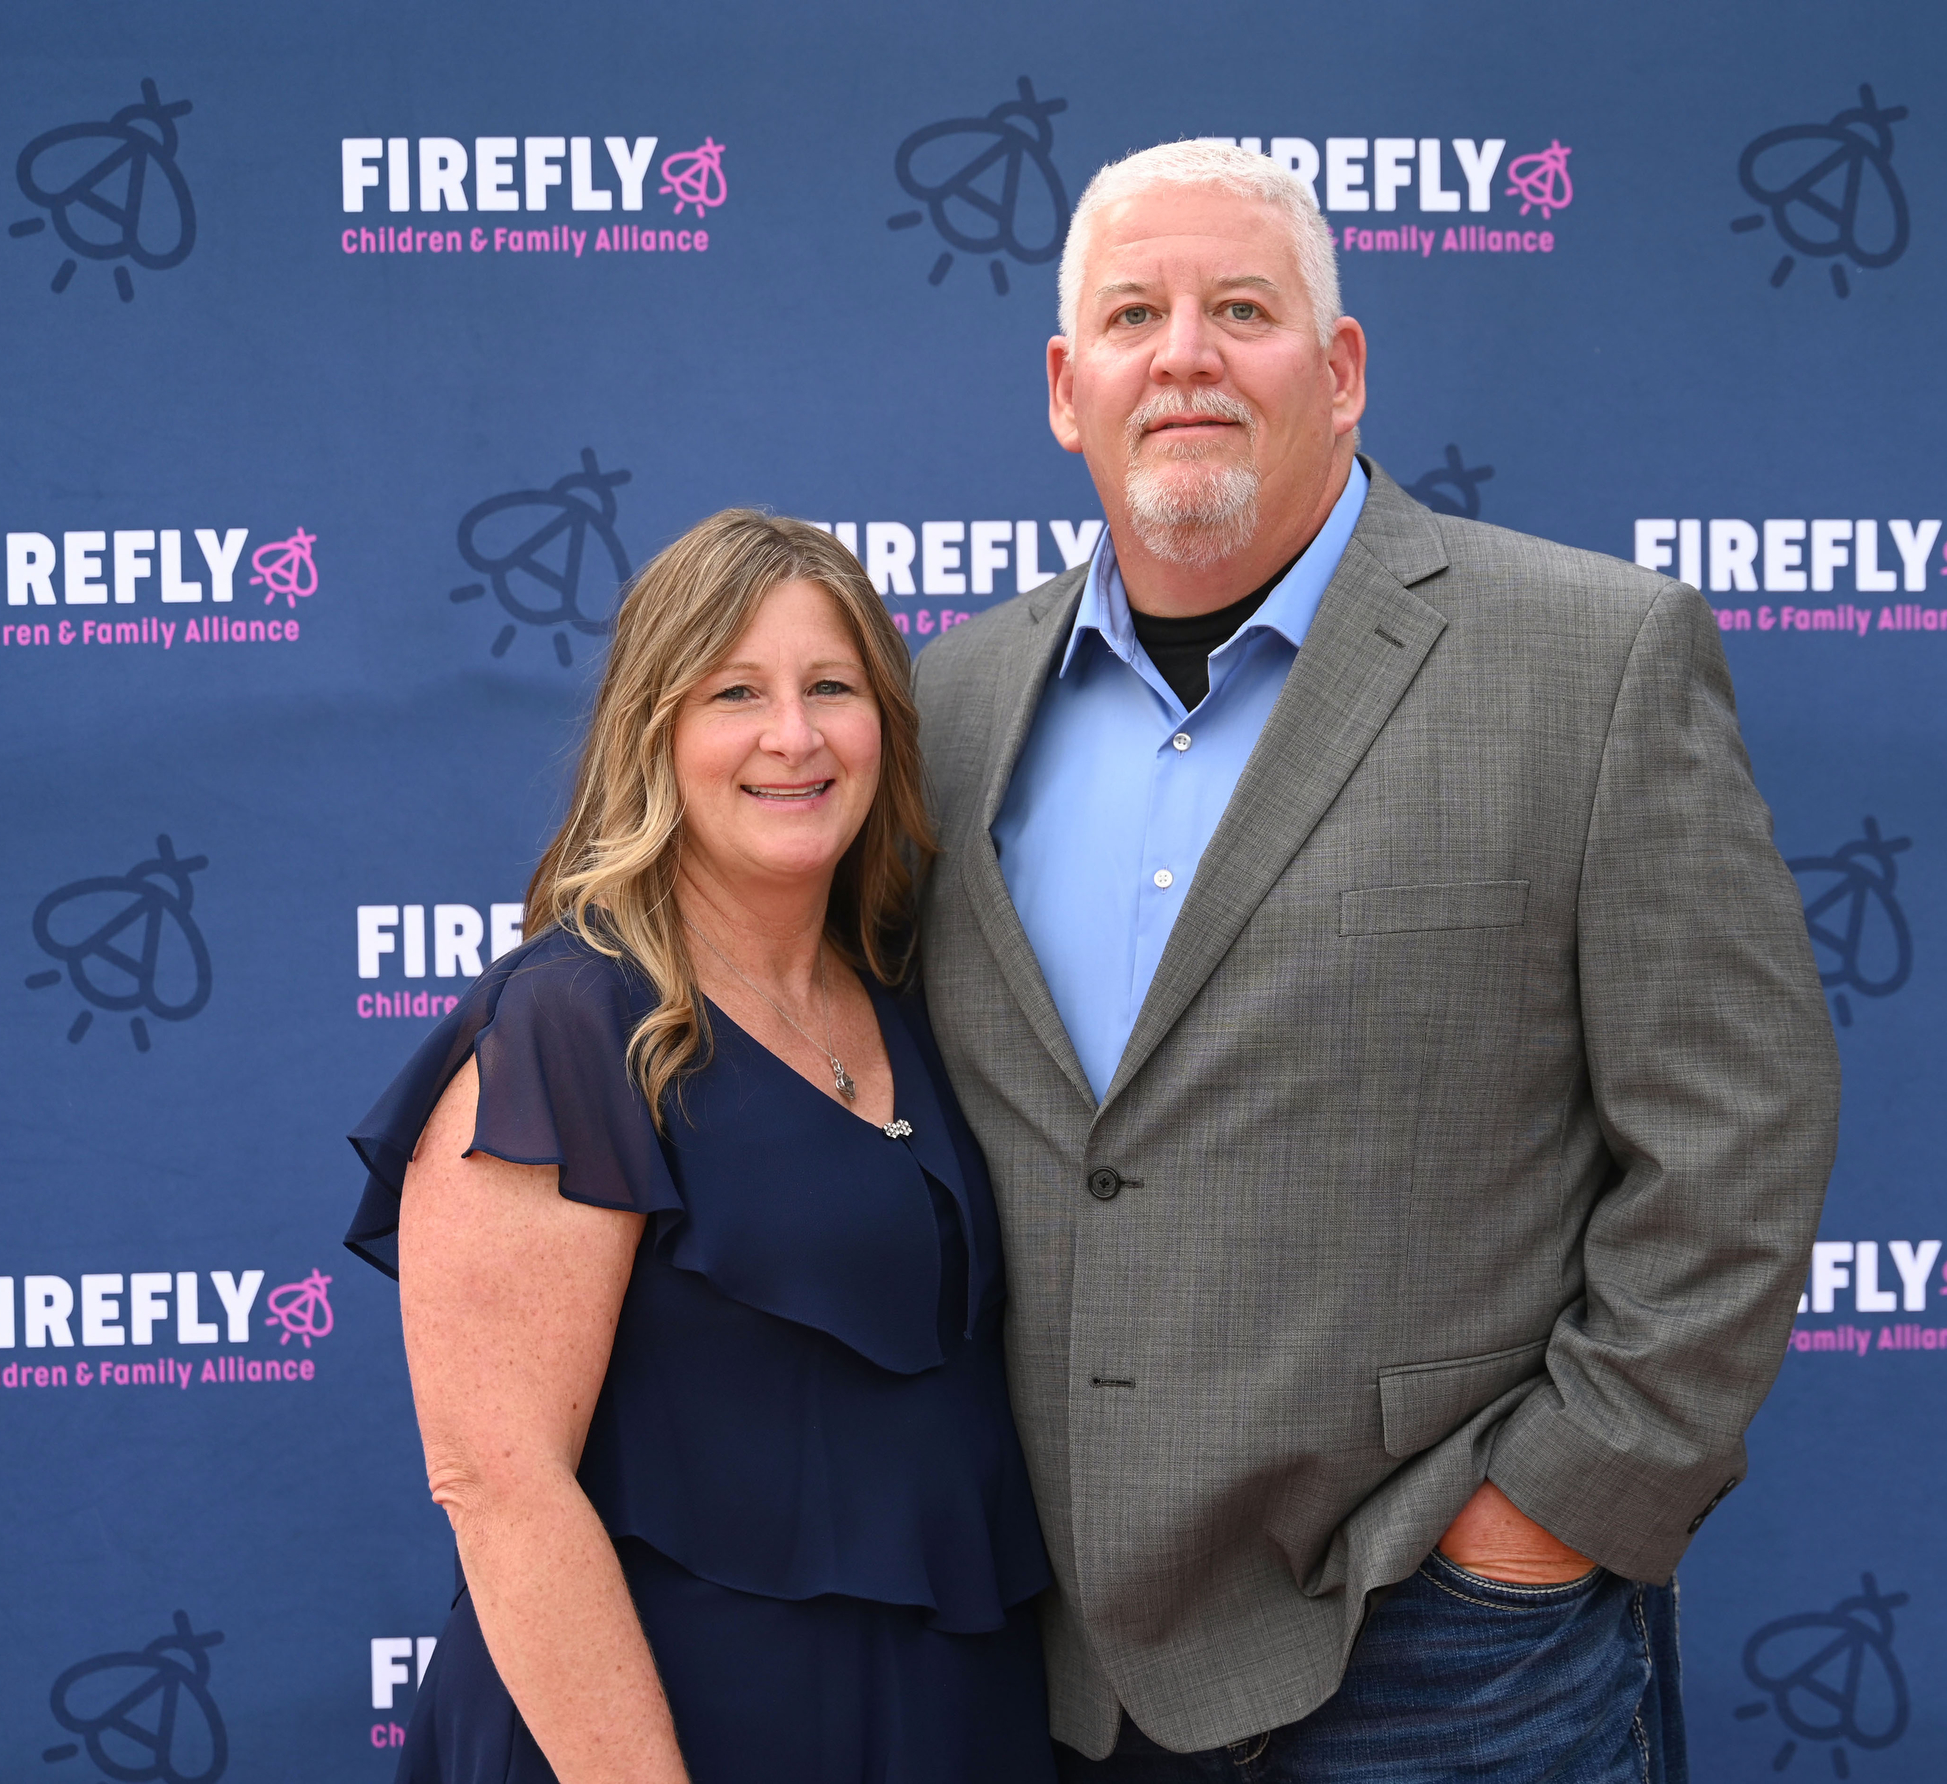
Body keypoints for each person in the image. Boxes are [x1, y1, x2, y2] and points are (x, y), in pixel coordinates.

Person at [910, 140, 1840, 1781]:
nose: (1184, 354)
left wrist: (1552, 1514)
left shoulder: (1593, 658)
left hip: (1438, 1651)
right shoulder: (950, 706)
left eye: (1241, 309)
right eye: (1132, 315)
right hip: (1050, 1669)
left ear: (1340, 370)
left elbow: (1738, 1132)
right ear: (1067, 389)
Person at [345, 512, 1057, 1784]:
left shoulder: (912, 990)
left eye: (830, 686)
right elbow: (500, 1482)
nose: (793, 735)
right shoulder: (573, 1020)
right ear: (654, 729)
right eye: (736, 692)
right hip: (655, 1736)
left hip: (940, 1715)